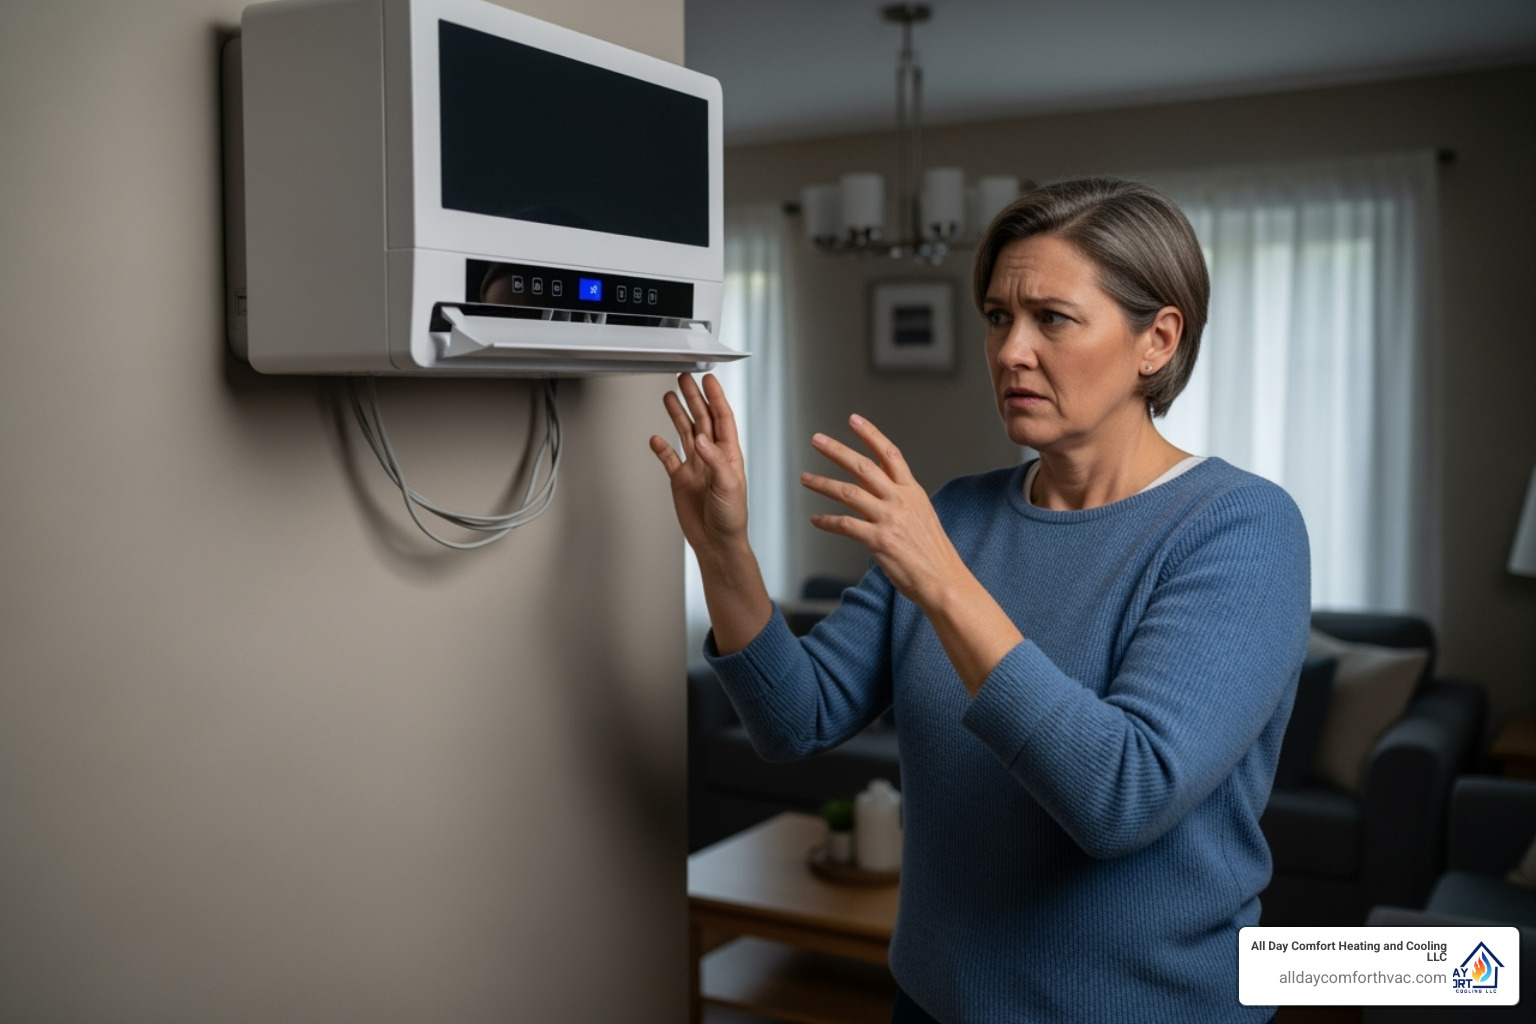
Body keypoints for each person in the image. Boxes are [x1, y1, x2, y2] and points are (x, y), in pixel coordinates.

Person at [650, 178, 1310, 1024]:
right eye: (999, 317)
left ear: (1158, 339)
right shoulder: (956, 513)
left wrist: (945, 581)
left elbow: (1123, 797)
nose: (1009, 352)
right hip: (934, 1005)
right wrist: (722, 550)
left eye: (1053, 319)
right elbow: (796, 719)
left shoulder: (1240, 528)